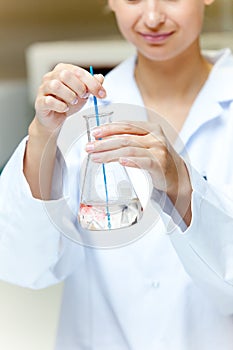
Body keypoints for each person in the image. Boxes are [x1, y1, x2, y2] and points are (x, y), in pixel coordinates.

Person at [1, 0, 233, 349]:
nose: (153, 18)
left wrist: (181, 186)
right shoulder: (83, 114)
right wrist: (42, 135)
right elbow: (24, 265)